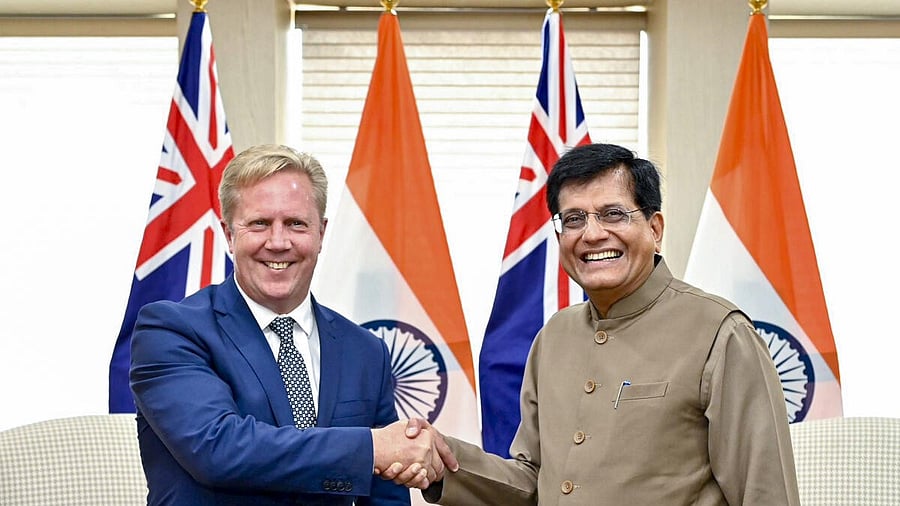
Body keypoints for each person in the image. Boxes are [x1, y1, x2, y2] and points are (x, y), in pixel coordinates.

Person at [390, 143, 800, 505]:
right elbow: (533, 483)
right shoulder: (554, 337)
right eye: (573, 219)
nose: (592, 234)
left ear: (655, 229)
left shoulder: (720, 333)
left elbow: (765, 492)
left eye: (613, 214)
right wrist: (444, 461)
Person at [129, 144, 451, 505]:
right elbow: (218, 448)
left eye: (296, 223)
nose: (279, 242)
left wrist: (407, 451)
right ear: (229, 235)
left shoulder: (365, 350)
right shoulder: (170, 331)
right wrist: (372, 447)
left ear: (321, 234)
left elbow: (386, 495)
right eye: (260, 223)